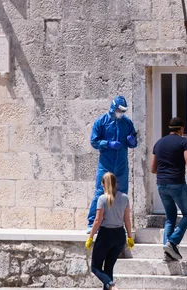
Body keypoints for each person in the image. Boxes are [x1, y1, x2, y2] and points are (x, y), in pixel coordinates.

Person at [87, 96, 138, 233]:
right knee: (100, 191)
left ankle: (119, 222)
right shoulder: (101, 122)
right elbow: (94, 141)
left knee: (122, 193)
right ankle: (92, 222)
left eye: (123, 111)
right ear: (113, 108)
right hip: (106, 163)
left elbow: (134, 142)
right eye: (119, 110)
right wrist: (108, 143)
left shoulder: (126, 123)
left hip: (121, 163)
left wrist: (132, 141)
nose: (121, 113)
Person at [152, 117, 187, 261]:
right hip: (176, 183)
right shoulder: (184, 142)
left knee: (170, 218)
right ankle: (172, 242)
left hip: (161, 184)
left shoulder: (158, 143)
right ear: (181, 129)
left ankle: (167, 253)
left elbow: (153, 168)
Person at [85, 172, 135, 290]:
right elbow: (127, 219)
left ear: (103, 184)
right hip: (119, 235)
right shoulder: (125, 198)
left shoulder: (102, 199)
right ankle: (109, 286)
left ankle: (112, 286)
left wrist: (91, 236)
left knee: (95, 268)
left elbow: (98, 220)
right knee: (108, 268)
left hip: (105, 235)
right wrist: (129, 236)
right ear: (115, 183)